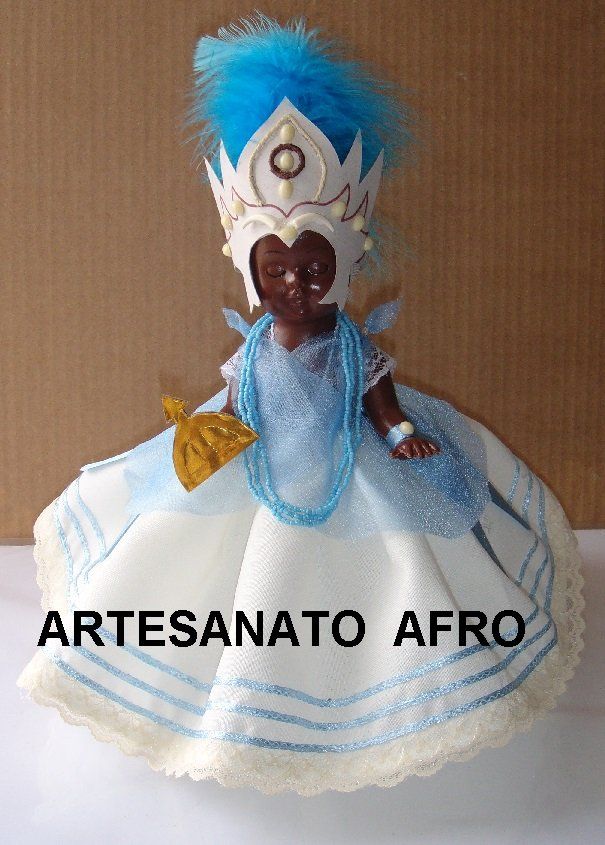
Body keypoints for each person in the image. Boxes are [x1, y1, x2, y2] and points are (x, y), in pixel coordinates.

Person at [18, 14, 584, 795]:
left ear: (344, 267)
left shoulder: (351, 346)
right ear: (251, 274)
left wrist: (401, 433)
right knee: (189, 555)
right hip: (258, 466)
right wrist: (208, 439)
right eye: (276, 271)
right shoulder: (256, 346)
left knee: (402, 566)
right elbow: (237, 400)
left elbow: (380, 401)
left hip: (353, 470)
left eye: (313, 270)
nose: (295, 285)